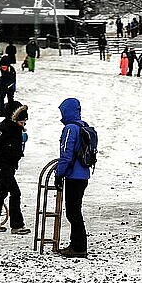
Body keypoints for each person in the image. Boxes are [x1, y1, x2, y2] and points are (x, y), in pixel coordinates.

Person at [0, 101, 31, 235]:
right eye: (22, 121)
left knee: (2, 193)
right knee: (15, 192)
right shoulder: (2, 128)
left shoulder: (18, 129)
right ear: (14, 118)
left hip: (10, 165)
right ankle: (17, 225)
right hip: (1, 165)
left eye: (25, 122)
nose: (23, 124)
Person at [54, 98, 91, 258]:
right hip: (83, 175)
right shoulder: (84, 126)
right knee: (75, 210)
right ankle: (76, 244)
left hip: (73, 176)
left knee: (73, 212)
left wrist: (59, 173)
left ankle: (79, 246)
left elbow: (66, 154)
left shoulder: (70, 128)